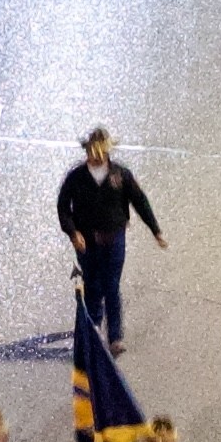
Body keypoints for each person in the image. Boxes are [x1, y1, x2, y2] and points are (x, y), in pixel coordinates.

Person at [57, 127, 164, 348]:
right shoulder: (76, 177)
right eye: (90, 152)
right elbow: (63, 207)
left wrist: (155, 230)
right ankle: (94, 325)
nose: (93, 157)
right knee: (92, 284)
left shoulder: (120, 175)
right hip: (86, 241)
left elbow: (140, 202)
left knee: (111, 286)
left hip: (114, 239)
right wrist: (72, 232)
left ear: (105, 152)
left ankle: (115, 336)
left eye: (97, 152)